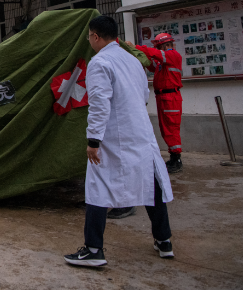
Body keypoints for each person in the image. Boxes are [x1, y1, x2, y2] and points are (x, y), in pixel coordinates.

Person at [64, 16, 174, 267]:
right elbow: (143, 95)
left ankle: (93, 250)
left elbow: (100, 104)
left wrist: (93, 140)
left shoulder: (100, 62)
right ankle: (164, 241)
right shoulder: (132, 60)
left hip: (114, 136)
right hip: (140, 132)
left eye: (89, 36)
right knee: (151, 183)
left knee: (97, 187)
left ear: (94, 36)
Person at [126, 33, 184, 174]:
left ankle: (177, 159)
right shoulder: (163, 62)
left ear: (164, 45)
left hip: (170, 97)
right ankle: (173, 157)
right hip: (164, 97)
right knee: (166, 129)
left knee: (171, 129)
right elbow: (151, 63)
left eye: (158, 46)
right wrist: (135, 53)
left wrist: (136, 47)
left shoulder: (173, 55)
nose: (157, 48)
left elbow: (154, 53)